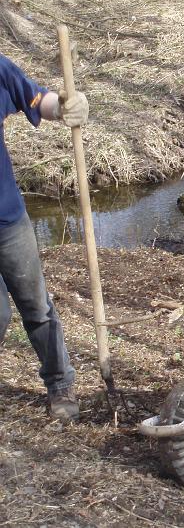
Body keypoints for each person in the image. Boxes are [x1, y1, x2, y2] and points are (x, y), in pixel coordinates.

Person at [1, 54, 89, 422]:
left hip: (8, 219)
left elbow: (37, 99)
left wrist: (66, 105)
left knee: (36, 307)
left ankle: (59, 382)